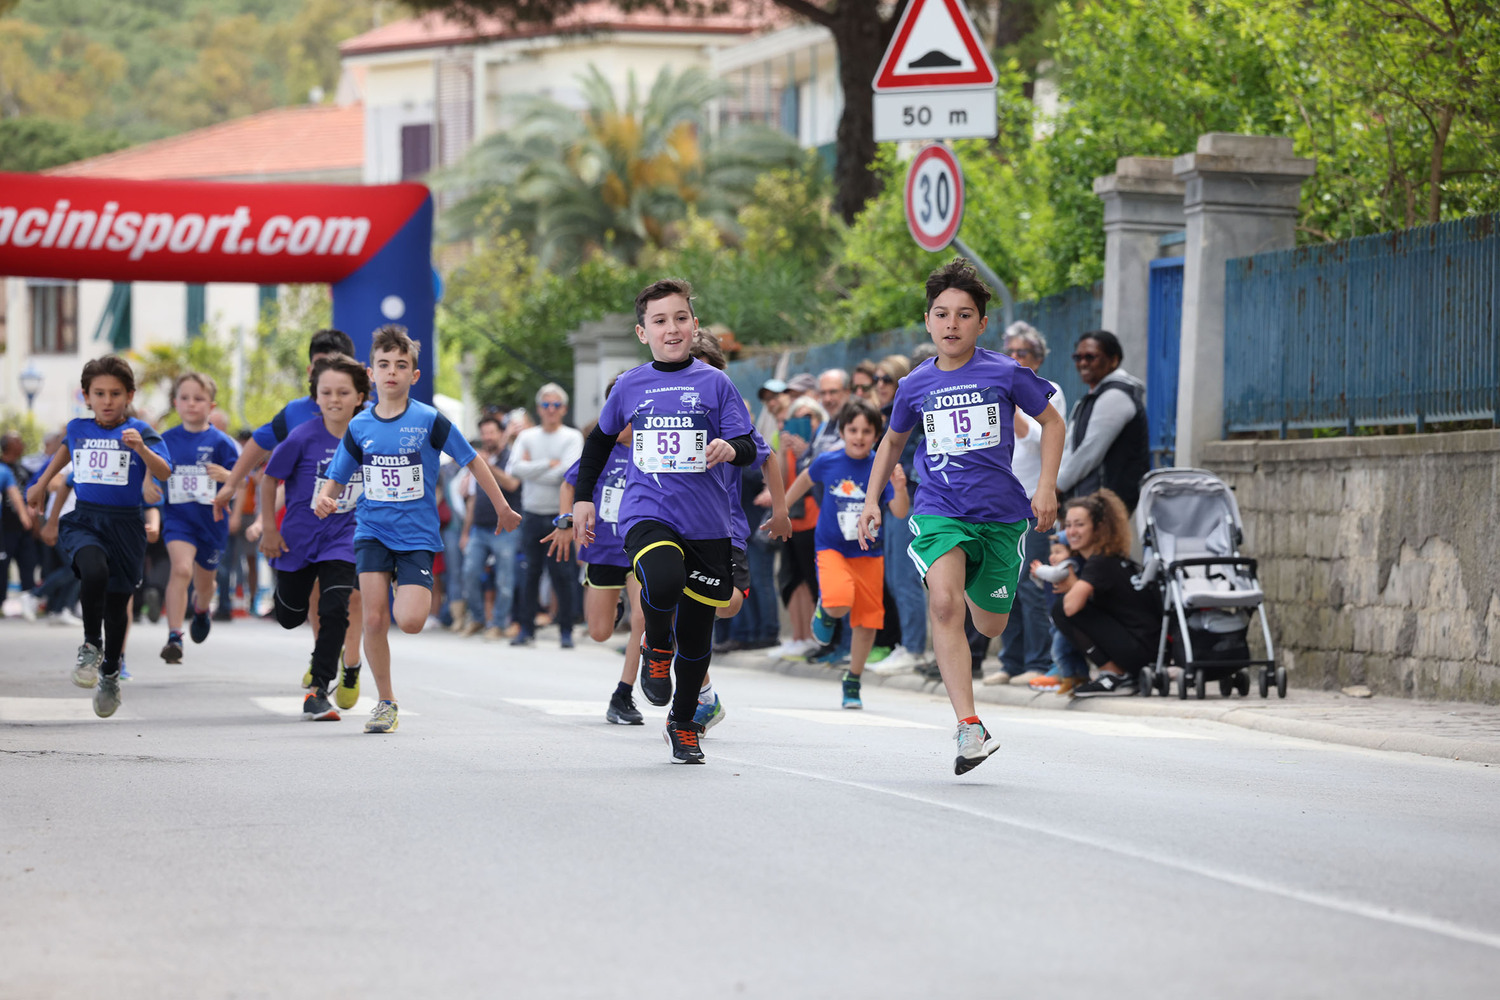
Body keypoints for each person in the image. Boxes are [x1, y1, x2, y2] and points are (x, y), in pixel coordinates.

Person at [571, 278, 791, 764]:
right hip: (648, 513)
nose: (671, 328)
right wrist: (584, 498)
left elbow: (754, 445)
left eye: (680, 318)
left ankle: (683, 720)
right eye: (659, 321)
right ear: (642, 332)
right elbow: (598, 442)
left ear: (693, 324)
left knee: (699, 634)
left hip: (709, 525)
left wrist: (730, 448)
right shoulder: (630, 385)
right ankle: (657, 647)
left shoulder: (716, 384)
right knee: (663, 577)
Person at [858, 259, 1063, 775]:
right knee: (945, 606)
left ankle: (978, 575)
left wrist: (1045, 487)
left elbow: (1053, 423)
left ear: (981, 323)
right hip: (939, 508)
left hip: (1000, 516)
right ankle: (969, 726)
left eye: (964, 314)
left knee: (989, 623)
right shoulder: (914, 385)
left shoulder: (1006, 372)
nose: (952, 324)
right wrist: (869, 501)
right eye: (942, 314)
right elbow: (892, 444)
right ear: (927, 321)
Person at [316, 325, 522, 734]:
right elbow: (336, 476)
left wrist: (502, 506)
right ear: (371, 374)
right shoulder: (359, 427)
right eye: (384, 364)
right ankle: (386, 702)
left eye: (401, 365)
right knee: (374, 620)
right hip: (372, 530)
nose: (392, 371)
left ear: (414, 375)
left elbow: (472, 460)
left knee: (409, 621)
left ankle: (402, 586)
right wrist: (326, 496)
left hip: (416, 536)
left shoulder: (428, 420)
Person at [26, 356, 173, 718]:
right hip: (86, 521)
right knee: (93, 572)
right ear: (87, 396)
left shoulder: (141, 431)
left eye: (115, 394)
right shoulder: (78, 428)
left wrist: (141, 449)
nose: (107, 401)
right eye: (99, 393)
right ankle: (91, 646)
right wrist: (40, 486)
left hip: (125, 526)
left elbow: (165, 471)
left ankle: (110, 673)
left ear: (129, 396)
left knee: (117, 603)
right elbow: (60, 460)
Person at [260, 354, 371, 720]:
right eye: (327, 392)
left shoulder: (369, 436)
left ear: (359, 396)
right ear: (316, 396)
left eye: (343, 392)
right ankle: (317, 658)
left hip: (345, 537)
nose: (334, 399)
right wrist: (270, 530)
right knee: (290, 616)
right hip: (297, 540)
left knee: (335, 608)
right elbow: (268, 478)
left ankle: (319, 689)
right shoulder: (302, 436)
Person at [784, 398, 910, 709]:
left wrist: (901, 487)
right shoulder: (828, 461)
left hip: (869, 553)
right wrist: (780, 509)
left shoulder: (880, 467)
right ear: (842, 431)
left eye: (867, 431)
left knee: (866, 622)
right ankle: (826, 610)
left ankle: (852, 679)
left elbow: (899, 510)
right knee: (839, 601)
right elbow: (803, 481)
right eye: (852, 429)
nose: (859, 436)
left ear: (877, 435)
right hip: (832, 548)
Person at [544, 393, 646, 726]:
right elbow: (568, 486)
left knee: (642, 622)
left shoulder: (651, 450)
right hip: (602, 548)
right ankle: (612, 607)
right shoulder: (600, 450)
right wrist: (565, 521)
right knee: (599, 632)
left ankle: (623, 695)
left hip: (640, 546)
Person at [988, 322, 1071, 687]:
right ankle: (1011, 660)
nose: (1015, 359)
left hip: (1033, 500)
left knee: (1033, 579)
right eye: (1010, 352)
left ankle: (1038, 659)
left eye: (1022, 353)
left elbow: (1042, 437)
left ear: (1037, 358)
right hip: (1002, 501)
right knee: (1005, 581)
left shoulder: (1050, 392)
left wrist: (1018, 409)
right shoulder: (995, 391)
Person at [1047, 490, 1162, 697]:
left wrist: (1072, 582)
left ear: (1099, 529)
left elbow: (1070, 607)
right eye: (1069, 525)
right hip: (1149, 651)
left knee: (1061, 610)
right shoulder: (1110, 558)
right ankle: (1117, 673)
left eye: (1079, 525)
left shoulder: (1100, 562)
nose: (1071, 531)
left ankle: (1113, 675)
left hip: (1139, 652)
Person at [156, 373, 239, 663]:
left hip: (212, 522)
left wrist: (227, 476)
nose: (191, 404)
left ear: (211, 405)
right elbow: (151, 472)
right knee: (180, 570)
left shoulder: (222, 442)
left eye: (199, 398)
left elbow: (241, 481)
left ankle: (202, 607)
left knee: (205, 583)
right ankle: (174, 636)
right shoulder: (165, 440)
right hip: (179, 519)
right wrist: (149, 487)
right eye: (185, 398)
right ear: (175, 402)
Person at [508, 384, 584, 648]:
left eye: (556, 405)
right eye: (546, 405)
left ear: (563, 408)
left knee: (563, 574)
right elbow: (515, 469)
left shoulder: (573, 437)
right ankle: (525, 629)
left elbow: (568, 473)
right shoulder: (527, 437)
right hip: (531, 513)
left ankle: (566, 630)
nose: (551, 410)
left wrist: (535, 468)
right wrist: (547, 464)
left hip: (559, 514)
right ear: (539, 408)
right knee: (529, 573)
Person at [1056, 330, 1149, 513]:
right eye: (1078, 357)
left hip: (1104, 504)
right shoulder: (1092, 397)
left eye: (1090, 357)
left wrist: (1056, 488)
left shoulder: (1116, 396)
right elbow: (1070, 448)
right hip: (1086, 501)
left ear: (1114, 360)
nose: (1083, 363)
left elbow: (1089, 453)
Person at [769, 395, 826, 660]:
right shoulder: (789, 445)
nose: (804, 423)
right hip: (792, 521)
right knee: (792, 580)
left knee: (813, 582)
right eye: (798, 417)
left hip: (815, 521)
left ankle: (818, 639)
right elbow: (778, 482)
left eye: (809, 417)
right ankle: (800, 637)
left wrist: (806, 453)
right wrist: (782, 450)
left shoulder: (821, 445)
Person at [457, 414, 523, 640]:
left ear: (501, 434)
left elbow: (513, 484)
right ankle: (477, 618)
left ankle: (497, 624)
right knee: (469, 572)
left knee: (505, 579)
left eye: (491, 432)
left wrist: (487, 466)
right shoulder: (478, 459)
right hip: (480, 528)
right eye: (483, 432)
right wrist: (465, 532)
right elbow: (473, 498)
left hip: (505, 529)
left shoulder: (511, 456)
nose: (487, 437)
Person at [1, 432, 35, 607]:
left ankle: (28, 602)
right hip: (5, 526)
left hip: (23, 528)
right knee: (2, 565)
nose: (22, 444)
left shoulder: (22, 468)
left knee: (28, 563)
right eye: (18, 441)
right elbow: (14, 496)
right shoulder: (2, 469)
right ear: (8, 445)